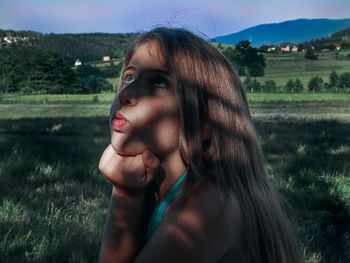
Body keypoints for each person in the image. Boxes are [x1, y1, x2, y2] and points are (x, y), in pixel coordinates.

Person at [98, 27, 302, 263]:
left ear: (205, 121)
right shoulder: (163, 189)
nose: (126, 92)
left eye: (160, 82)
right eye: (130, 77)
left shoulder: (213, 204)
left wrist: (125, 196)